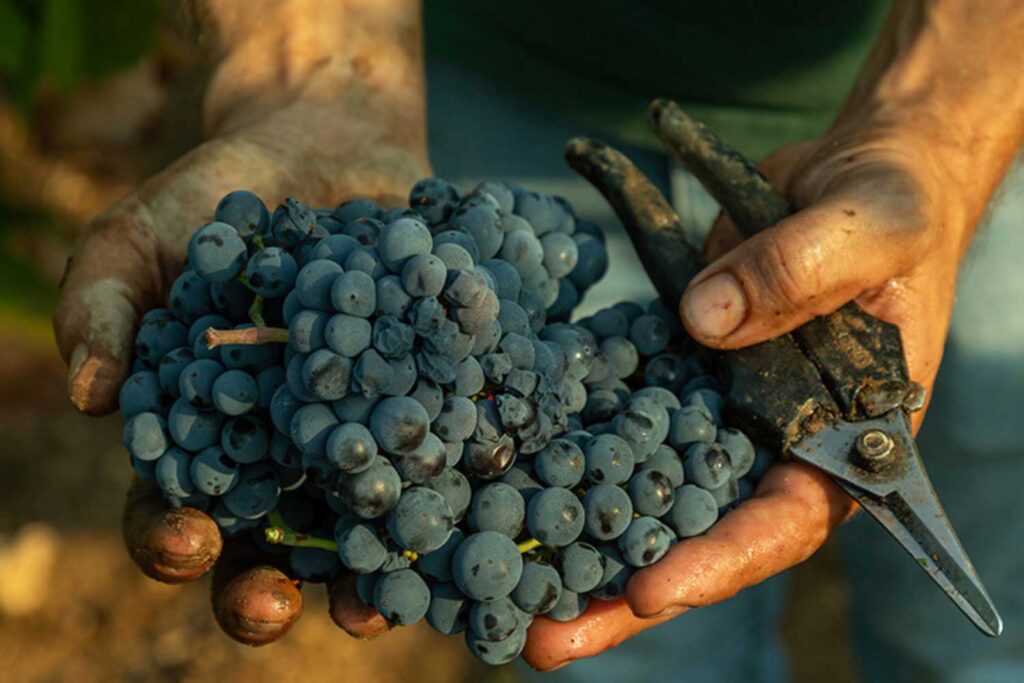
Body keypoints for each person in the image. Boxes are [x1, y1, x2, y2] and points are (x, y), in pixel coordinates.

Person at [53, 0, 1024, 679]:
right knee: (623, 628)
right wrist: (308, 62)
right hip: (478, 74)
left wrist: (948, 123)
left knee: (982, 609)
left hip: (956, 110)